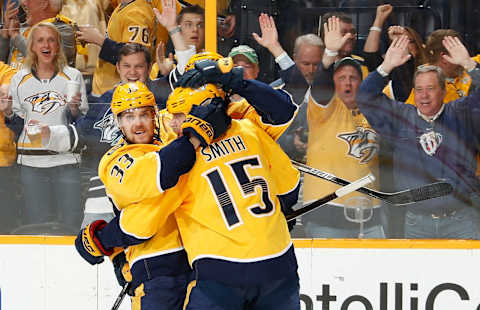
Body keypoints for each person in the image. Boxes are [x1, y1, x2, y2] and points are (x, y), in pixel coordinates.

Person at [357, 35, 480, 239]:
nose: (424, 96)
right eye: (419, 90)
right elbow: (365, 97)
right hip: (416, 221)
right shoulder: (400, 118)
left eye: (431, 89)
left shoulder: (461, 113)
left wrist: (469, 64)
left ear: (443, 90)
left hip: (462, 220)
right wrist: (385, 67)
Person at [1, 22, 87, 233]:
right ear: (31, 47)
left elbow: (82, 124)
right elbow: (17, 124)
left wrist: (74, 110)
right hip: (31, 164)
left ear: (58, 46)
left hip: (66, 161)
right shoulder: (20, 79)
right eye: (40, 40)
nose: (46, 44)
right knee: (37, 225)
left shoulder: (73, 76)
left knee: (71, 224)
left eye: (51, 40)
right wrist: (9, 112)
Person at [88, 0, 155, 96]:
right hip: (105, 87)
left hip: (120, 92)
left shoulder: (137, 12)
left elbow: (135, 56)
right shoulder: (124, 5)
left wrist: (98, 40)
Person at [0, 0, 77, 69]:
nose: (23, 3)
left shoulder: (63, 30)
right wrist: (5, 34)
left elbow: (45, 62)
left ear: (44, 3)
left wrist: (16, 36)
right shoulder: (21, 28)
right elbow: (1, 63)